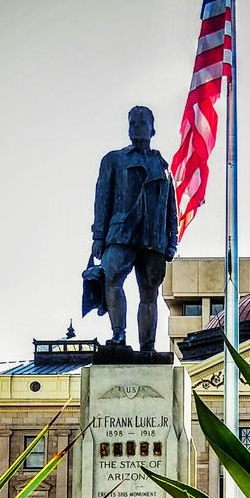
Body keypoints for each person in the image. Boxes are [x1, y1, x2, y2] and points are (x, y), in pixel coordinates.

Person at [87, 106, 178, 350]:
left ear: (152, 129)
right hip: (120, 233)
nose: (136, 127)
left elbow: (172, 208)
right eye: (132, 123)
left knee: (149, 292)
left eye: (141, 122)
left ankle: (147, 345)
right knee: (112, 277)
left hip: (153, 237)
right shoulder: (114, 159)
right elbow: (102, 198)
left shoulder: (164, 167)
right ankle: (118, 335)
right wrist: (98, 236)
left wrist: (172, 241)